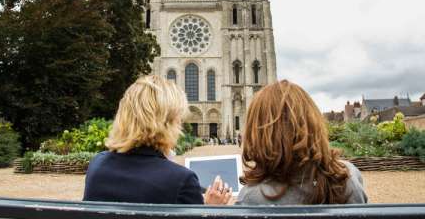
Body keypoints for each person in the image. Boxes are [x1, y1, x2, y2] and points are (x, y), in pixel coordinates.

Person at [83, 75, 232, 205]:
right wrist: (211, 209)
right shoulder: (182, 180)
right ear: (168, 122)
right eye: (178, 118)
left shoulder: (98, 165)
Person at [236, 80, 368, 205]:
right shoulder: (348, 176)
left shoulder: (251, 198)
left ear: (258, 133)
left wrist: (215, 208)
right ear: (313, 123)